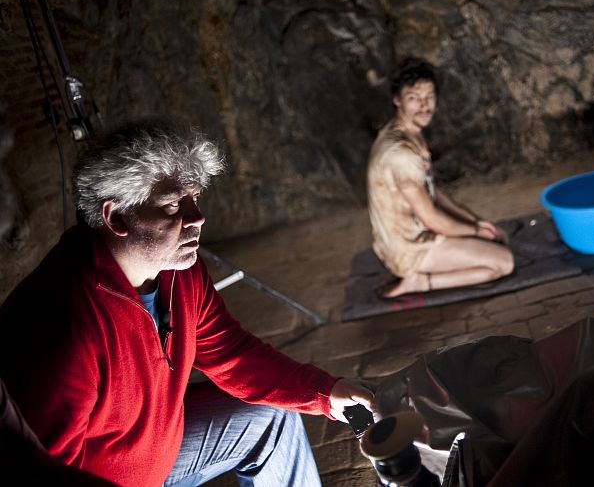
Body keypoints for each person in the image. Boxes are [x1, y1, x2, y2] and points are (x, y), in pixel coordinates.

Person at [0, 118, 374, 487]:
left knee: (272, 417)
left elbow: (231, 353)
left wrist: (327, 393)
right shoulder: (65, 325)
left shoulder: (179, 270)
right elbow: (40, 471)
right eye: (172, 206)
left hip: (159, 450)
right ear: (116, 217)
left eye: (194, 199)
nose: (197, 218)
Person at [367, 58, 514, 298]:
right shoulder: (400, 154)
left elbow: (433, 193)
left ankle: (433, 265)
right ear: (397, 100)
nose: (424, 106)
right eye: (414, 98)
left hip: (415, 233)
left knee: (493, 240)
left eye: (430, 97)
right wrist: (475, 233)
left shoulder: (408, 132)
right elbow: (431, 217)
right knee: (503, 262)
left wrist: (475, 223)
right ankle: (420, 282)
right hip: (408, 249)